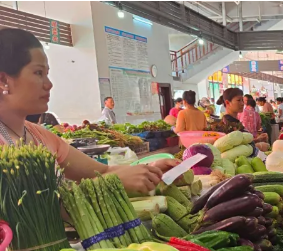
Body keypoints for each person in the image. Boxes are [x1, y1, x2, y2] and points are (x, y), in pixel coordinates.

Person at [0, 28, 177, 195]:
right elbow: (27, 207)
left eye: (47, 73)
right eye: (38, 73)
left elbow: (101, 171)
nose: (49, 84)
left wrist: (150, 169)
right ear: (3, 80)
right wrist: (112, 181)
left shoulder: (39, 135)